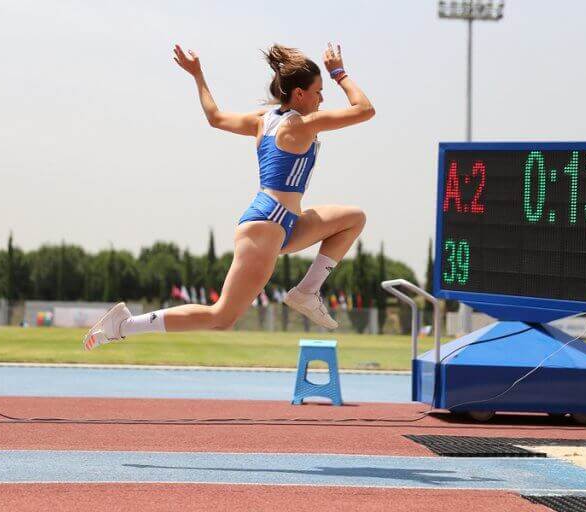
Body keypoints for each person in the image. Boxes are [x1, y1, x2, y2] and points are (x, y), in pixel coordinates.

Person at [83, 42, 375, 350]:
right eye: (318, 91)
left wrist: (198, 75)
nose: (322, 98)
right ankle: (124, 325)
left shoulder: (264, 119)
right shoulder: (302, 124)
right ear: (299, 94)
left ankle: (306, 292)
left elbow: (215, 117)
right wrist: (339, 73)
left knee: (353, 219)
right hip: (267, 223)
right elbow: (365, 110)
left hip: (283, 222)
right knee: (222, 316)